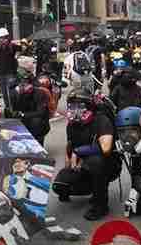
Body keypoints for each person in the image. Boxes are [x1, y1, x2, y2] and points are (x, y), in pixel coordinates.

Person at [54, 87, 119, 220]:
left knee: (96, 162)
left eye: (79, 106)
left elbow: (106, 148)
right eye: (72, 106)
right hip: (83, 164)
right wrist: (70, 163)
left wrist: (79, 151)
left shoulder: (101, 120)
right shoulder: (71, 125)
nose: (75, 109)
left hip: (107, 163)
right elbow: (70, 145)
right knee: (60, 185)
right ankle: (89, 187)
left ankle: (100, 205)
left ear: (89, 106)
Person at [9, 68, 51, 146]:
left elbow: (41, 112)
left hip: (38, 122)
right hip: (24, 119)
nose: (24, 85)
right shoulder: (15, 93)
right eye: (22, 83)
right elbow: (13, 111)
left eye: (26, 83)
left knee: (37, 121)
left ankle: (38, 144)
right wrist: (18, 95)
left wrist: (23, 115)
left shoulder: (40, 93)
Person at [0, 28, 20, 109]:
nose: (0, 39)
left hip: (10, 73)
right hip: (1, 74)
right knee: (4, 94)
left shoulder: (12, 45)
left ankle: (14, 108)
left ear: (6, 37)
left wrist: (18, 45)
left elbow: (22, 48)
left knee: (11, 93)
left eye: (1, 38)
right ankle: (8, 109)